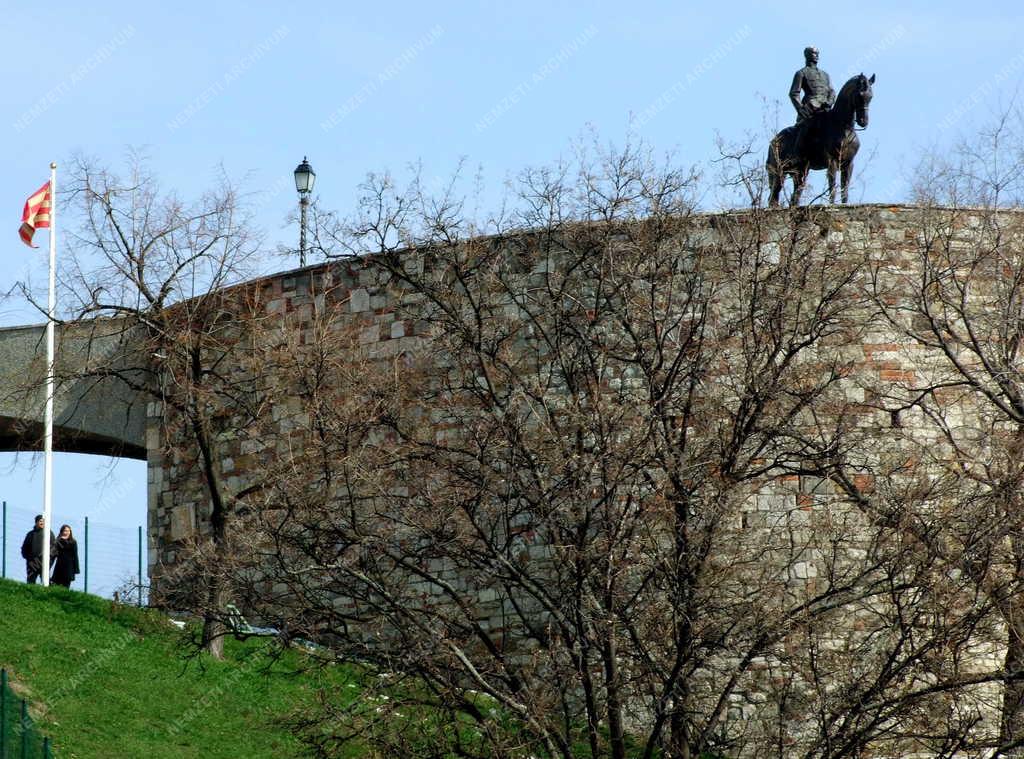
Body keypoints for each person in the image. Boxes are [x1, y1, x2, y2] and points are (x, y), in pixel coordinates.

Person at [789, 46, 835, 123]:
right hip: (810, 109)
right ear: (807, 55)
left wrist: (829, 101)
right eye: (814, 53)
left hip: (826, 109)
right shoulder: (801, 73)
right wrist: (801, 110)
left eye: (817, 54)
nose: (817, 56)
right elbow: (794, 93)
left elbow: (832, 91)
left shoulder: (825, 75)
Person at [20, 514, 56, 584]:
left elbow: (54, 549)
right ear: (36, 522)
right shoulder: (30, 534)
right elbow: (25, 547)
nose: (42, 523)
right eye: (40, 521)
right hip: (32, 563)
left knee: (46, 582)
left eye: (44, 521)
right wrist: (28, 558)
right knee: (31, 581)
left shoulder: (49, 534)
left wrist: (49, 561)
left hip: (44, 563)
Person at [52, 524, 81, 588]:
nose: (67, 532)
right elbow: (53, 553)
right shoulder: (58, 541)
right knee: (57, 584)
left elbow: (75, 555)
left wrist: (76, 569)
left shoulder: (73, 542)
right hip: (60, 565)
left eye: (68, 531)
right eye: (65, 530)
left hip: (69, 566)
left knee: (66, 585)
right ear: (62, 531)